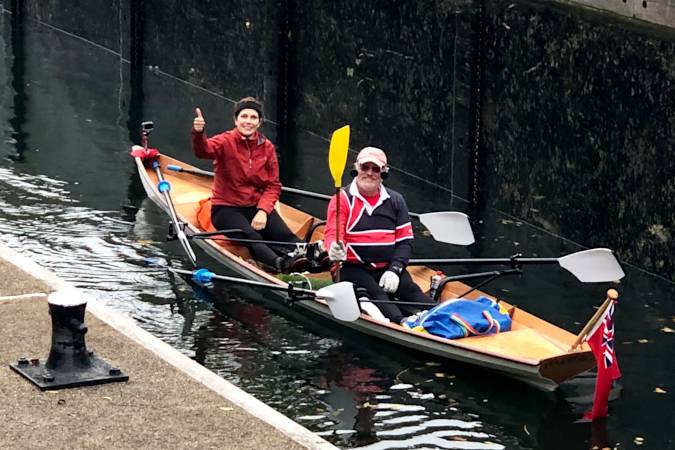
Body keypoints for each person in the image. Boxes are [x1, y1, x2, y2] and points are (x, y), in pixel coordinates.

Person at [191, 96, 306, 274]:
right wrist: (199, 133)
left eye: (253, 118)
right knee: (252, 237)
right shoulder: (225, 141)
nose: (248, 121)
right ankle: (280, 264)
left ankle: (313, 257)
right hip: (226, 208)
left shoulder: (267, 147)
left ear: (259, 123)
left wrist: (262, 210)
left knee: (285, 236)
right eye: (244, 116)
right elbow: (203, 151)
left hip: (256, 206)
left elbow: (273, 185)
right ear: (236, 120)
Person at [323, 146, 434, 324]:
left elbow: (405, 243)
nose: (369, 173)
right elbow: (332, 234)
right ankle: (403, 324)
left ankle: (447, 317)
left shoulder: (396, 200)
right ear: (356, 168)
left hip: (387, 267)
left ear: (384, 173)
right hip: (352, 268)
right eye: (365, 167)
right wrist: (334, 248)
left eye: (375, 169)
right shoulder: (342, 199)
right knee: (379, 295)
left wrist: (395, 269)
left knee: (412, 292)